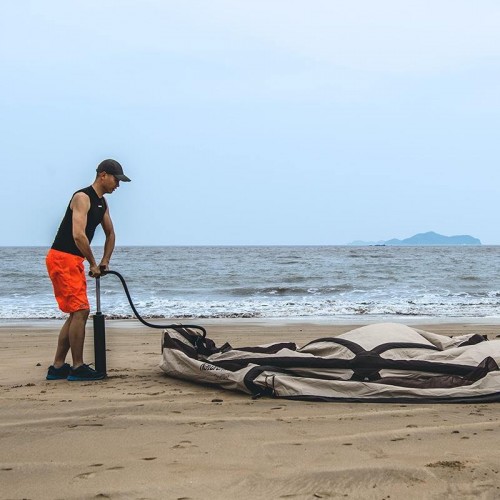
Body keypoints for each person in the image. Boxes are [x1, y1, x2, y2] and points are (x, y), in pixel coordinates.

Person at [45, 159, 131, 381]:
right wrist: (92, 263)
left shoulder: (102, 203)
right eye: (116, 179)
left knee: (76, 312)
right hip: (62, 258)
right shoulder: (82, 198)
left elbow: (111, 233)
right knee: (81, 311)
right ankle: (77, 367)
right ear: (103, 175)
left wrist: (105, 261)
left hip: (73, 259)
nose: (118, 185)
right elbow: (78, 235)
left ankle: (57, 367)